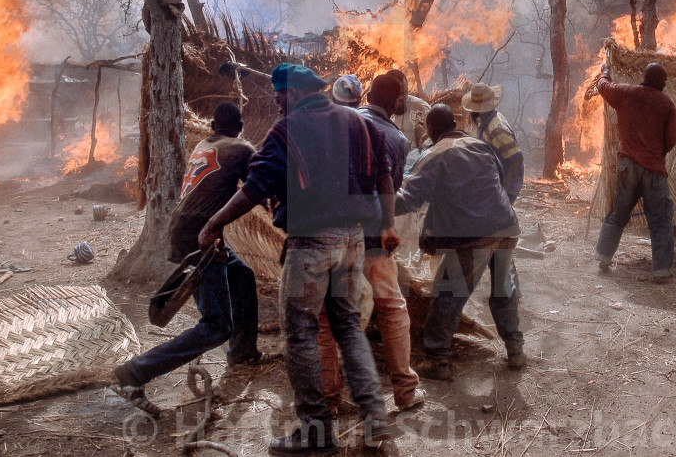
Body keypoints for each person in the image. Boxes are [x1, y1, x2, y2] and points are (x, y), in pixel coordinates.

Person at [198, 63, 397, 455]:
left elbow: (255, 188)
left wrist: (212, 224)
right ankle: (376, 423)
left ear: (295, 93)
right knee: (349, 328)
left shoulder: (287, 131)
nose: (276, 105)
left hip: (311, 247)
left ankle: (317, 432)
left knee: (302, 334)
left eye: (279, 96)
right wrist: (388, 224)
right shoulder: (360, 124)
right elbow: (384, 176)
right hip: (353, 242)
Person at [113, 102, 273, 400]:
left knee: (242, 275)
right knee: (216, 325)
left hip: (185, 228)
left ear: (213, 125)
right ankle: (135, 372)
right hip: (201, 237)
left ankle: (243, 352)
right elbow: (260, 185)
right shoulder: (240, 148)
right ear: (240, 125)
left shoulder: (204, 144)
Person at [318, 74, 425, 413]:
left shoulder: (335, 122)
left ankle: (329, 398)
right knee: (391, 306)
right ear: (397, 102)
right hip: (373, 237)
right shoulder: (394, 138)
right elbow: (388, 189)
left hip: (330, 233)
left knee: (328, 316)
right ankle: (405, 392)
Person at [395, 104, 526, 381]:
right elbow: (500, 180)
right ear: (454, 122)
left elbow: (408, 199)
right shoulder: (480, 145)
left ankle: (437, 360)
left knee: (448, 294)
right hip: (506, 227)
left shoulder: (434, 154)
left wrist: (372, 209)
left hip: (474, 236)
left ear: (430, 130)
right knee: (504, 291)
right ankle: (515, 349)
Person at [592, 61, 676, 282]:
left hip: (627, 166)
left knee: (619, 213)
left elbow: (603, 86)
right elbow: (672, 140)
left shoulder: (626, 93)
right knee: (660, 220)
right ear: (661, 82)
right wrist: (656, 153)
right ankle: (661, 270)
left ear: (645, 77)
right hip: (654, 170)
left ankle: (603, 256)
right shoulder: (667, 104)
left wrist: (605, 72)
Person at [462, 82, 524, 203]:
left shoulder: (496, 129)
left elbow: (517, 159)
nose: (471, 111)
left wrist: (503, 190)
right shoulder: (486, 120)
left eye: (474, 108)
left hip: (505, 185)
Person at [386, 68, 430, 153]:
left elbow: (431, 142)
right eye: (397, 93)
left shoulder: (421, 109)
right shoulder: (380, 110)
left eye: (405, 93)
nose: (402, 97)